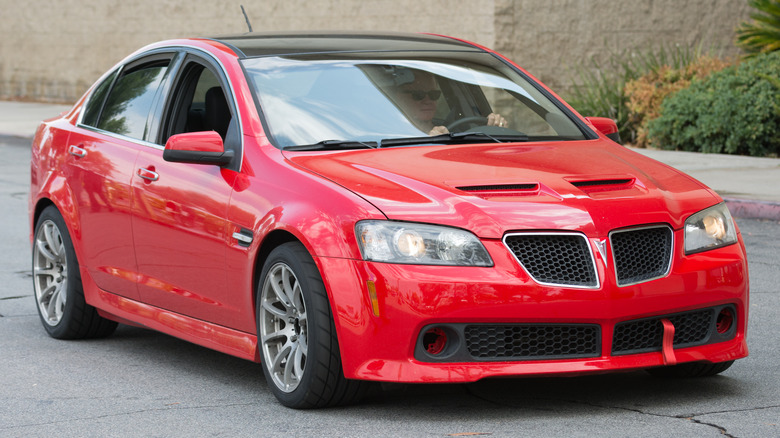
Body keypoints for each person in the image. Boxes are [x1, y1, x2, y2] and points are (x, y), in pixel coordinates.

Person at [391, 69, 507, 135]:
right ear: (400, 98)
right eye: (418, 95)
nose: (428, 101)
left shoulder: (457, 129)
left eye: (434, 95)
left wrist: (496, 129)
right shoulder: (391, 135)